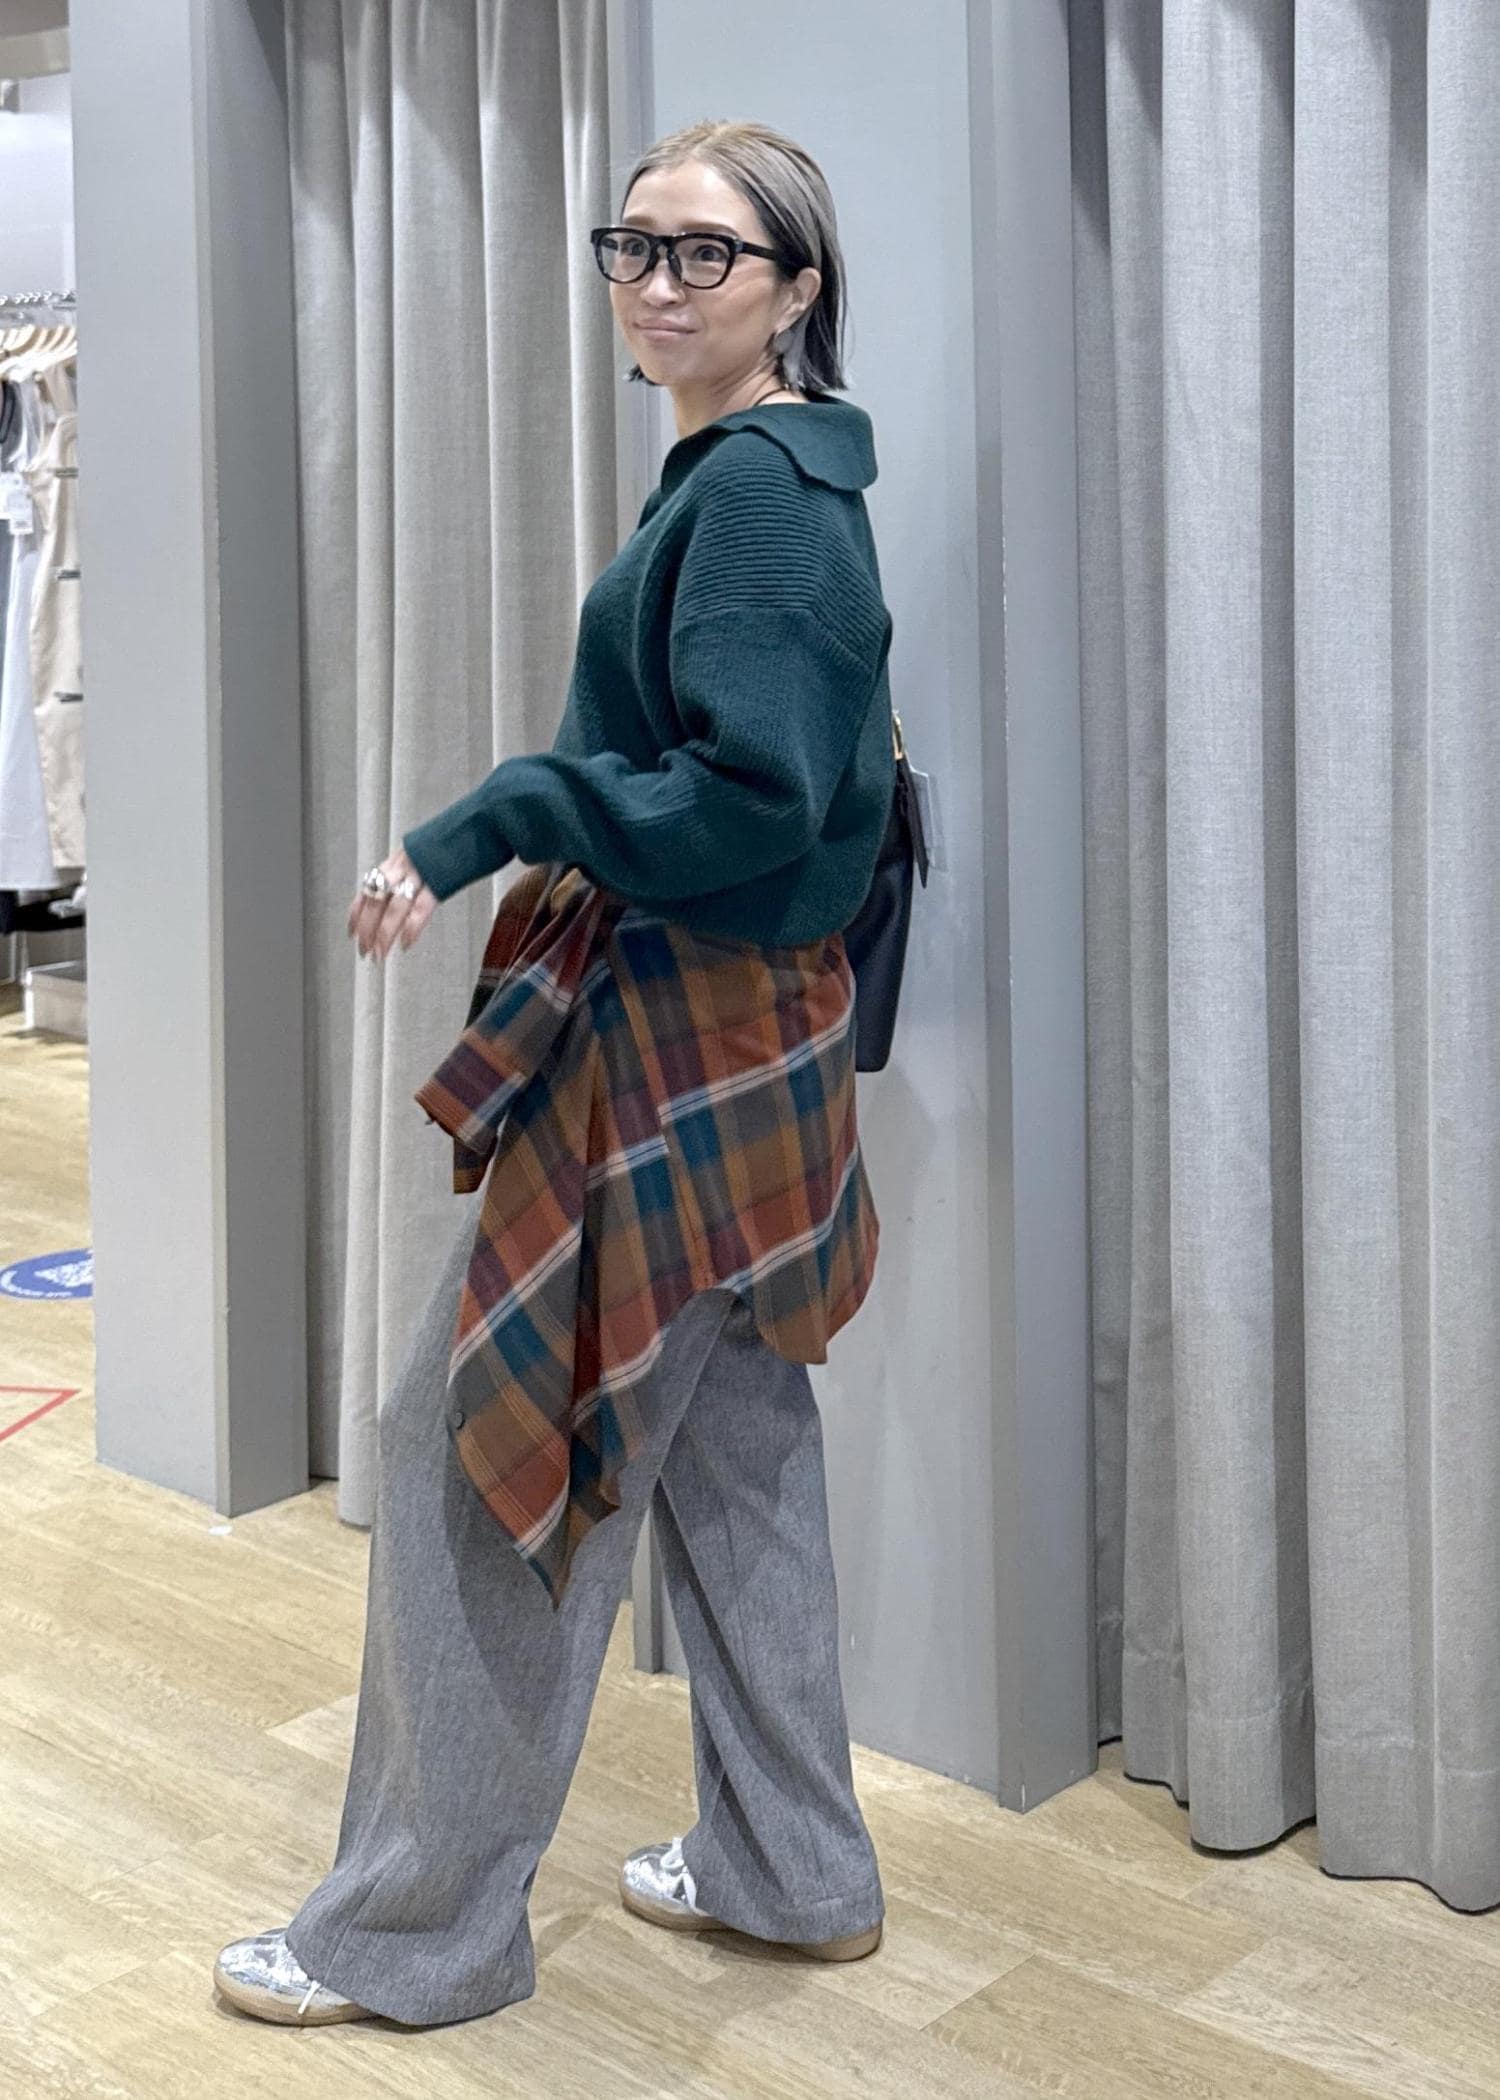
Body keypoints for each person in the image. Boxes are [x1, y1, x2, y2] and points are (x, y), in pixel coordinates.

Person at [212, 116, 893, 2030]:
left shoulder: (763, 500)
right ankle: (793, 1870)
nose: (658, 284)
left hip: (677, 1037)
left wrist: (502, 810)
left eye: (708, 254)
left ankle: (414, 1934)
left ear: (795, 289)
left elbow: (754, 798)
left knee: (486, 1450)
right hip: (750, 1039)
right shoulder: (763, 469)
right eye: (636, 246)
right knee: (735, 1455)